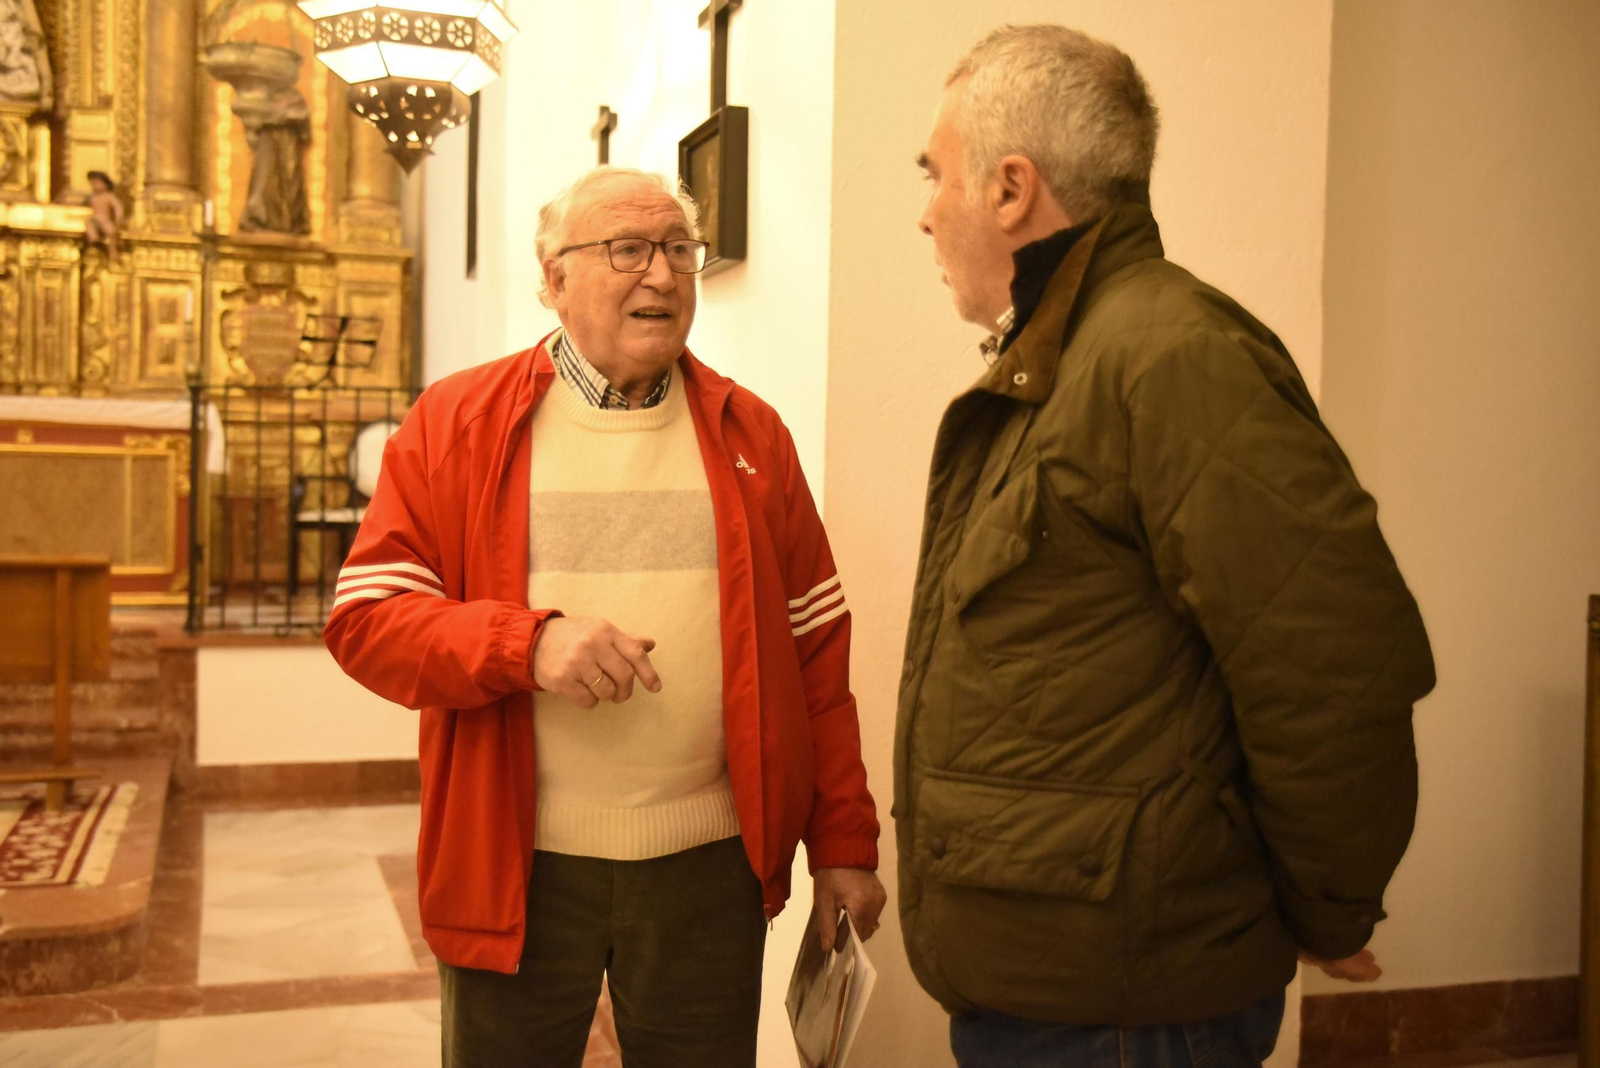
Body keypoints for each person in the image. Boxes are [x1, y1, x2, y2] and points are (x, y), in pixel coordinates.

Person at [895, 24, 1436, 1068]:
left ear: (1012, 190)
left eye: (937, 175)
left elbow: (1329, 663)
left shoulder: (1171, 358)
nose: (926, 213)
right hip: (1063, 985)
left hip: (1130, 1009)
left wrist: (1331, 907)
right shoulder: (1070, 358)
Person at [325, 166, 885, 1068]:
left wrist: (845, 845)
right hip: (517, 863)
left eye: (677, 250)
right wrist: (527, 643)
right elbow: (367, 619)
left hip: (709, 866)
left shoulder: (753, 436)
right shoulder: (456, 423)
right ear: (552, 279)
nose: (660, 275)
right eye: (626, 249)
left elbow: (817, 656)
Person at [85, 171, 123, 259]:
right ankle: (95, 242)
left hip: (105, 220)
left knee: (111, 232)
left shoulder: (108, 197)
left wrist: (119, 218)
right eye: (93, 184)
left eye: (96, 184)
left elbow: (118, 207)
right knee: (89, 224)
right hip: (95, 219)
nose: (94, 187)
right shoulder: (92, 198)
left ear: (105, 184)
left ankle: (113, 252)